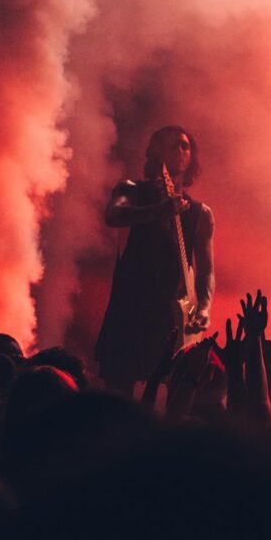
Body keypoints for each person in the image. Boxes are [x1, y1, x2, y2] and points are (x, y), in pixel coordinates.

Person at [94, 125, 215, 395]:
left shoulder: (200, 213)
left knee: (171, 393)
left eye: (185, 145)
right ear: (155, 152)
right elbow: (113, 215)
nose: (180, 150)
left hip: (171, 317)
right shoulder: (131, 190)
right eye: (171, 144)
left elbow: (206, 271)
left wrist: (203, 308)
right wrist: (159, 211)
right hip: (130, 311)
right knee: (118, 393)